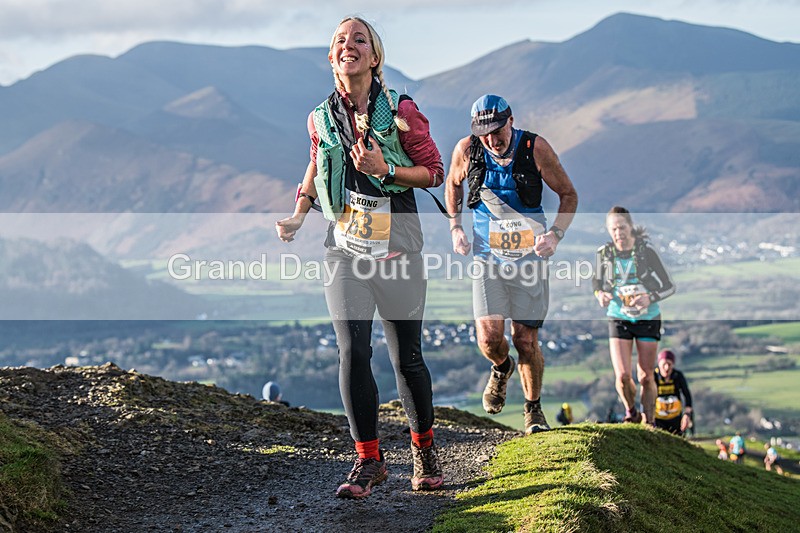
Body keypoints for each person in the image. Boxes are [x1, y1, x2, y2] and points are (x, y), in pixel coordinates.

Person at [275, 17, 444, 499]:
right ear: (332, 59)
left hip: (398, 249)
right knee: (353, 351)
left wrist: (384, 167)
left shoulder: (402, 109)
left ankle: (424, 450)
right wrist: (298, 213)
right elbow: (316, 159)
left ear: (374, 57)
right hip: (345, 248)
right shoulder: (320, 116)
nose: (349, 45)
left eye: (359, 39)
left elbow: (432, 172)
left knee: (406, 358)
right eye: (340, 41)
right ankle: (368, 459)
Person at [445, 94, 578, 434]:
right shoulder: (467, 149)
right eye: (484, 132)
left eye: (497, 130)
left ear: (511, 120)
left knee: (526, 341)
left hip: (530, 260)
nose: (492, 139)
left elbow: (568, 194)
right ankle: (501, 368)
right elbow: (452, 185)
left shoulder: (535, 147)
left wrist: (555, 235)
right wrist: (456, 227)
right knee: (490, 339)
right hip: (487, 258)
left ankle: (533, 411)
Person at [593, 207, 675, 425]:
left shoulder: (646, 251)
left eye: (622, 227)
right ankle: (631, 413)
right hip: (618, 317)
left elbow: (669, 286)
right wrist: (600, 294)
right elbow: (597, 283)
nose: (618, 232)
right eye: (613, 229)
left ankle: (649, 421)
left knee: (646, 375)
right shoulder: (604, 253)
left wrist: (650, 296)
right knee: (622, 376)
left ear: (630, 227)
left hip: (648, 318)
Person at [653, 349, 692, 436]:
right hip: (658, 418)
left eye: (669, 364)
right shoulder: (653, 376)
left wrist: (687, 415)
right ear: (659, 364)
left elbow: (687, 395)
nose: (667, 368)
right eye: (664, 364)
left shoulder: (678, 376)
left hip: (676, 418)